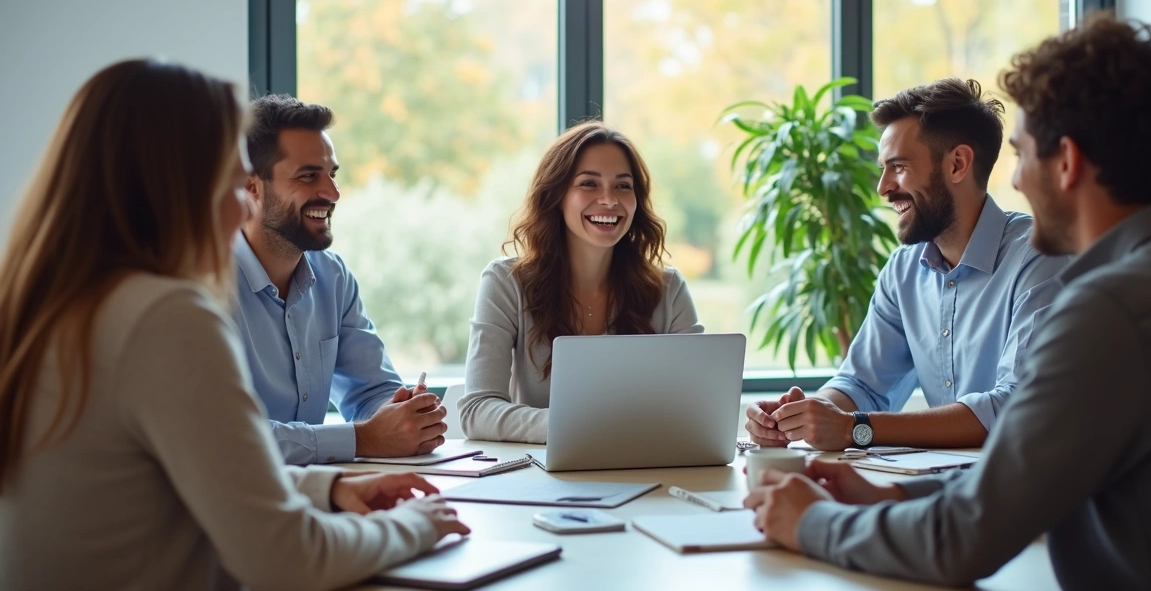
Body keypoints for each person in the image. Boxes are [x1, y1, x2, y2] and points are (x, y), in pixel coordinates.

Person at [745, 13, 1151, 589]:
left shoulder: (1111, 312)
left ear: (1066, 162)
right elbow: (1040, 470)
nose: (1014, 180)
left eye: (1020, 154)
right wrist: (895, 491)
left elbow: (961, 542)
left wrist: (814, 523)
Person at [0, 60, 469, 590]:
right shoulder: (165, 318)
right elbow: (287, 559)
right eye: (229, 184)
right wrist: (415, 525)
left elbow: (174, 477)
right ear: (174, 187)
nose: (236, 210)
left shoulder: (59, 302)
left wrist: (323, 489)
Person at [745, 78, 1068, 450]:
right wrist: (799, 416)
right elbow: (860, 385)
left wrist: (854, 428)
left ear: (958, 164)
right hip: (945, 486)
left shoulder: (1040, 257)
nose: (883, 187)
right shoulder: (903, 270)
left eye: (898, 166)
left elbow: (1014, 406)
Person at [459, 121, 704, 443]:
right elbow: (476, 410)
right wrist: (577, 427)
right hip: (543, 479)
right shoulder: (506, 283)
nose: (609, 200)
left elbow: (703, 404)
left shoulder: (668, 289)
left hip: (646, 472)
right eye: (589, 184)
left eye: (623, 186)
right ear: (556, 195)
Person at [236, 94, 445, 465]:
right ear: (252, 186)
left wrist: (403, 416)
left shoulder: (333, 277)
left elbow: (371, 392)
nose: (332, 194)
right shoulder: (202, 286)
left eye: (331, 174)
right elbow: (227, 436)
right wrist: (364, 438)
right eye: (308, 175)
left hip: (317, 495)